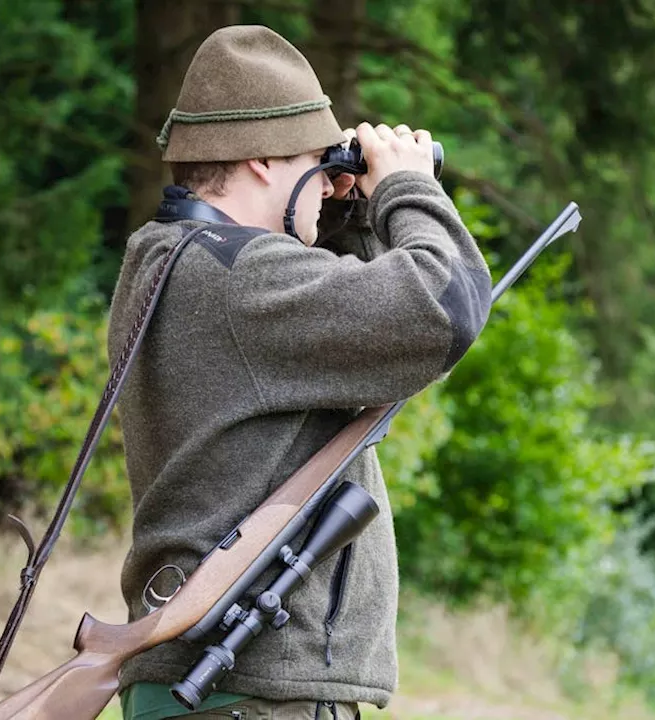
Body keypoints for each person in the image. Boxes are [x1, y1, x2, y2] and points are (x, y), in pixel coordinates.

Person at [107, 24, 492, 720]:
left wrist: (339, 208)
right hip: (256, 694)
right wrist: (405, 187)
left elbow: (339, 334)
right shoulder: (246, 282)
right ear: (260, 161)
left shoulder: (164, 260)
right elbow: (445, 305)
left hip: (196, 685)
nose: (326, 176)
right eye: (315, 160)